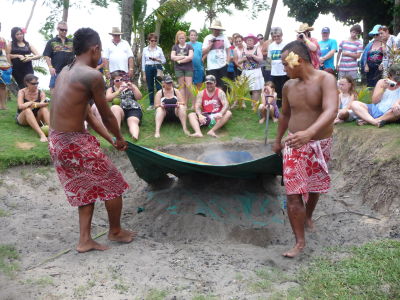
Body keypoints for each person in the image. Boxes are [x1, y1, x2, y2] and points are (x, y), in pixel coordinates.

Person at [48, 27, 135, 253]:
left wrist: (110, 139)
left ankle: (85, 240)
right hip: (72, 142)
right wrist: (119, 136)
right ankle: (115, 231)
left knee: (86, 187)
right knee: (114, 183)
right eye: (100, 51)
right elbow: (106, 115)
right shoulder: (92, 75)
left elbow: (87, 113)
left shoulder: (65, 70)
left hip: (56, 140)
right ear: (95, 49)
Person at [272, 41, 338, 258]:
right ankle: (299, 242)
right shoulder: (288, 86)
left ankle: (308, 216)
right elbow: (285, 115)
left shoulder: (326, 79)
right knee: (293, 195)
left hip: (320, 143)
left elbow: (331, 110)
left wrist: (309, 133)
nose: (283, 68)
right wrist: (277, 140)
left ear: (297, 60)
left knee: (314, 186)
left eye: (285, 64)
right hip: (294, 145)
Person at [106, 71, 143, 140]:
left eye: (121, 79)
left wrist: (133, 89)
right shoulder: (111, 89)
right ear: (113, 81)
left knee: (132, 121)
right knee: (115, 107)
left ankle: (135, 136)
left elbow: (139, 97)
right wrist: (119, 91)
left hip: (133, 108)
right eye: (117, 80)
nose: (120, 81)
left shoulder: (130, 85)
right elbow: (107, 98)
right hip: (120, 111)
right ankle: (117, 134)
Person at [16, 74, 50, 142]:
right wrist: (37, 104)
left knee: (44, 109)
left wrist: (30, 103)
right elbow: (20, 106)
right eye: (33, 83)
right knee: (27, 110)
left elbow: (45, 104)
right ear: (27, 83)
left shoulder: (41, 92)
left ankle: (53, 131)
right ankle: (42, 135)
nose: (36, 85)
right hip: (23, 118)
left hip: (37, 118)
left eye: (37, 83)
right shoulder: (22, 92)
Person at [43, 21, 74, 92]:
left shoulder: (72, 42)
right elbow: (46, 55)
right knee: (54, 90)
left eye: (65, 30)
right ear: (57, 29)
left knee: (69, 92)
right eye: (62, 29)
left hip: (70, 71)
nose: (64, 31)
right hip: (56, 71)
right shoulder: (51, 41)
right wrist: (50, 67)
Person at [202, 20, 230, 90]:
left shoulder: (224, 37)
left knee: (223, 86)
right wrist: (210, 45)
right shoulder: (207, 38)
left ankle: (221, 100)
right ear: (212, 29)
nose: (217, 31)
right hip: (211, 66)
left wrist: (228, 61)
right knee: (212, 85)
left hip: (223, 65)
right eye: (215, 29)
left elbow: (228, 49)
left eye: (218, 29)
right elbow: (203, 52)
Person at [142, 33, 166, 110]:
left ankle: (159, 103)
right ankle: (151, 104)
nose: (154, 42)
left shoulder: (159, 49)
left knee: (159, 86)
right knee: (150, 87)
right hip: (148, 67)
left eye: (155, 41)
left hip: (158, 67)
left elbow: (164, 61)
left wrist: (157, 59)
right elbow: (143, 62)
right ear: (148, 40)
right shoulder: (145, 49)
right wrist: (144, 74)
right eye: (152, 40)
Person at [238, 34, 264, 105]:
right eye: (247, 40)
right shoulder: (243, 49)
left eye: (250, 40)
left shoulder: (257, 49)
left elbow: (261, 59)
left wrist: (253, 56)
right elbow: (238, 61)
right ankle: (242, 104)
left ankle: (254, 105)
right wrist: (243, 59)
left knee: (255, 89)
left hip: (255, 71)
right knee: (241, 88)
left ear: (254, 42)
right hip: (245, 71)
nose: (249, 42)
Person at [171, 30, 193, 107]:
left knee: (188, 86)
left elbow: (190, 57)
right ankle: (183, 103)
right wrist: (184, 57)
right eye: (180, 38)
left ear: (185, 38)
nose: (182, 39)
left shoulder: (189, 46)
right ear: (178, 39)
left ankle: (186, 103)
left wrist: (179, 61)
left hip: (188, 68)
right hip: (178, 69)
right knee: (181, 86)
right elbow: (172, 57)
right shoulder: (175, 47)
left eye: (183, 38)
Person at [268, 27, 288, 108]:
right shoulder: (271, 46)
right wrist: (268, 70)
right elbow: (269, 59)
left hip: (284, 71)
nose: (276, 38)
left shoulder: (286, 44)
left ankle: (286, 103)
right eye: (274, 36)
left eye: (278, 36)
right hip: (274, 72)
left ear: (282, 35)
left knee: (284, 88)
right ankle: (277, 103)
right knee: (276, 89)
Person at [0, 22, 12, 110]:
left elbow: (6, 53)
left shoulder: (2, 39)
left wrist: (9, 65)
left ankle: (3, 105)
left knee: (3, 86)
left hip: (4, 65)